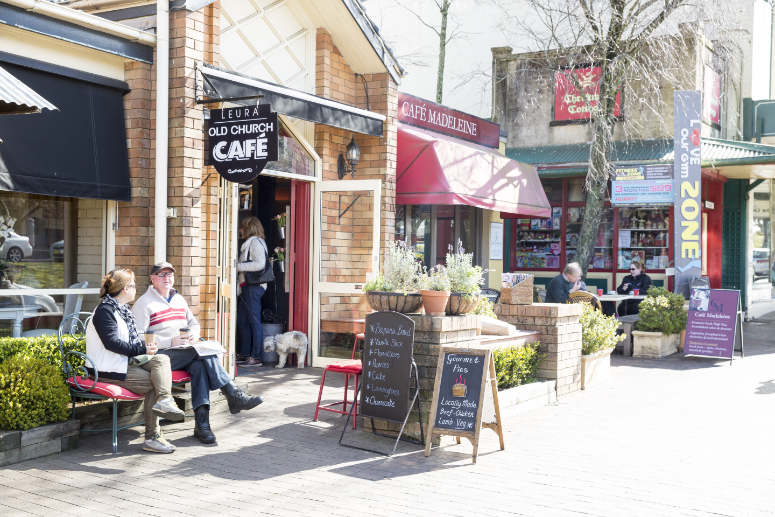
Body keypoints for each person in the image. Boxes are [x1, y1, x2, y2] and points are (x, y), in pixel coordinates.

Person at [132, 262, 264, 444]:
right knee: (202, 353)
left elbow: (194, 324)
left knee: (201, 364)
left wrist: (194, 334)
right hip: (159, 357)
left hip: (185, 352)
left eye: (170, 275)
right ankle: (232, 394)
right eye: (161, 275)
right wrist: (170, 341)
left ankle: (202, 425)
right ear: (152, 278)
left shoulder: (178, 299)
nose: (167, 279)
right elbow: (138, 337)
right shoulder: (144, 303)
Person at [86, 269, 185, 454]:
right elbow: (112, 344)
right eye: (133, 285)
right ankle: (152, 437)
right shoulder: (104, 311)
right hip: (106, 368)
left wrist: (146, 348)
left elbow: (128, 341)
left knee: (162, 359)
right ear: (124, 289)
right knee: (154, 383)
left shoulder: (122, 310)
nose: (135, 289)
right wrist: (142, 349)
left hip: (124, 362)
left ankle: (165, 401)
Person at [236, 216, 269, 366]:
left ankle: (256, 356)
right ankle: (244, 354)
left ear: (248, 228)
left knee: (254, 321)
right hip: (247, 286)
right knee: (243, 322)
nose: (240, 230)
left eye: (242, 227)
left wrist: (239, 266)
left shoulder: (255, 243)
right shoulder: (250, 243)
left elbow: (260, 264)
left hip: (253, 286)